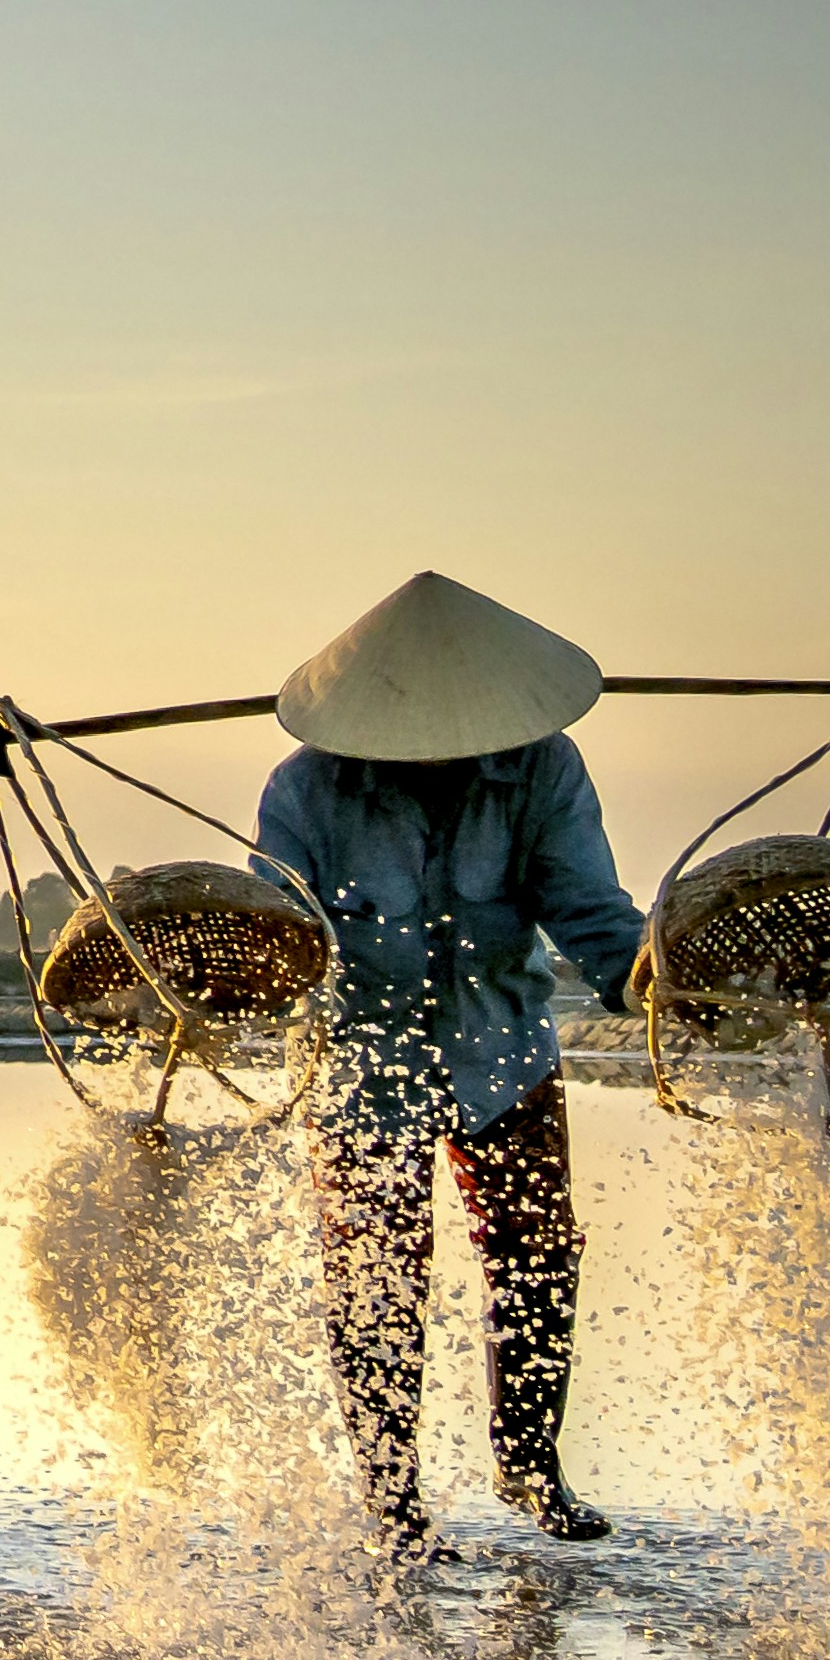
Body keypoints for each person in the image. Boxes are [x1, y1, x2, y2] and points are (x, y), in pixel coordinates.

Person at [254, 570, 658, 1546]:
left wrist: (656, 981)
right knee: (372, 1280)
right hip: (357, 1065)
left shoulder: (540, 769)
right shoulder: (305, 787)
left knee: (535, 1253)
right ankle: (390, 1502)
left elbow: (591, 913)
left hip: (501, 1050)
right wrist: (232, 972)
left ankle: (527, 1464)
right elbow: (275, 929)